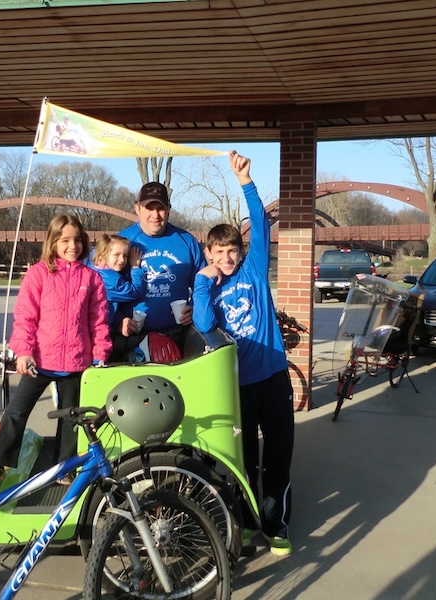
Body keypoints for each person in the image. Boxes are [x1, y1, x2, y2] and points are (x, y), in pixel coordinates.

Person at [192, 150, 294, 556]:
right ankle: (252, 524)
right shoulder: (210, 289)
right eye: (218, 254)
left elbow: (262, 227)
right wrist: (202, 281)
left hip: (273, 377)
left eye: (232, 250)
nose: (227, 258)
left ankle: (278, 525)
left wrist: (246, 182)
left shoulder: (253, 271)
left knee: (278, 458)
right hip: (238, 386)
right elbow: (202, 324)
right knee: (246, 461)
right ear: (209, 255)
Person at [0, 213, 112, 489]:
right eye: (64, 240)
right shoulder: (38, 274)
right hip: (40, 360)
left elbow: (98, 320)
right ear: (53, 242)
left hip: (77, 362)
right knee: (17, 411)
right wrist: (24, 351)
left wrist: (100, 353)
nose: (72, 246)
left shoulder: (91, 279)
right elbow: (26, 316)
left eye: (77, 240)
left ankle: (63, 468)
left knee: (71, 420)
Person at [119, 181, 205, 342]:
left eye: (160, 208)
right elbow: (102, 290)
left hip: (178, 335)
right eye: (149, 208)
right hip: (132, 337)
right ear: (137, 208)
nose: (155, 215)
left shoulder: (187, 241)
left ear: (169, 209)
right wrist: (117, 322)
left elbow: (204, 284)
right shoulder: (122, 241)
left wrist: (195, 307)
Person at [90, 234, 146, 360]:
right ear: (103, 255)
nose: (122, 260)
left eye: (125, 256)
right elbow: (134, 292)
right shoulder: (110, 280)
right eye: (116, 255)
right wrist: (136, 267)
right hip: (98, 336)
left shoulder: (94, 270)